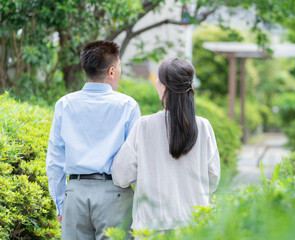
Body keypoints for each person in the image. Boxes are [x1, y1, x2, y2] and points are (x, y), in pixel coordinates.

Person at [111, 58, 220, 232]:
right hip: (194, 226)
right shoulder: (203, 127)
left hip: (152, 227)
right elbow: (212, 179)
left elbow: (121, 176)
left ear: (163, 87)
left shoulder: (144, 126)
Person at [46, 40, 141, 240]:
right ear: (112, 71)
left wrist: (61, 204)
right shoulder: (127, 105)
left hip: (75, 193)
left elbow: (55, 159)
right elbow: (137, 160)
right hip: (115, 194)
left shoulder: (65, 104)